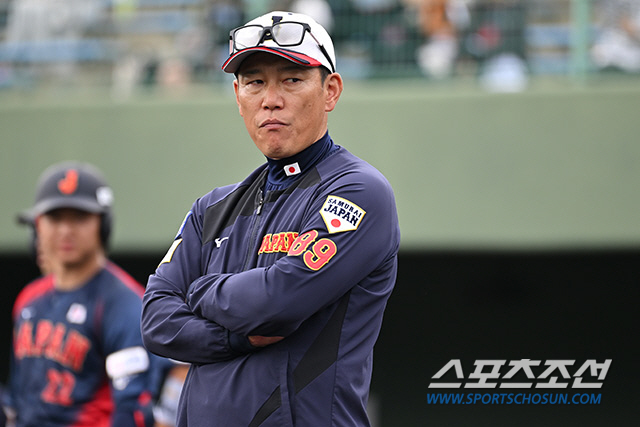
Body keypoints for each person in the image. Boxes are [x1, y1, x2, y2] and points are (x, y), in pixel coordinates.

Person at [141, 10, 401, 427]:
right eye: (254, 81)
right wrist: (232, 335)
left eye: (292, 79)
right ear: (237, 95)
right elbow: (155, 321)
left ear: (330, 91)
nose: (270, 99)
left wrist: (201, 291)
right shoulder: (212, 209)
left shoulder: (358, 190)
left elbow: (278, 301)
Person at [5, 161, 156, 427]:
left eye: (79, 217)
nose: (66, 230)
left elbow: (132, 409)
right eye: (55, 218)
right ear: (38, 224)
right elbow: (19, 397)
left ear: (103, 224)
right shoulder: (29, 299)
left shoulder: (123, 303)